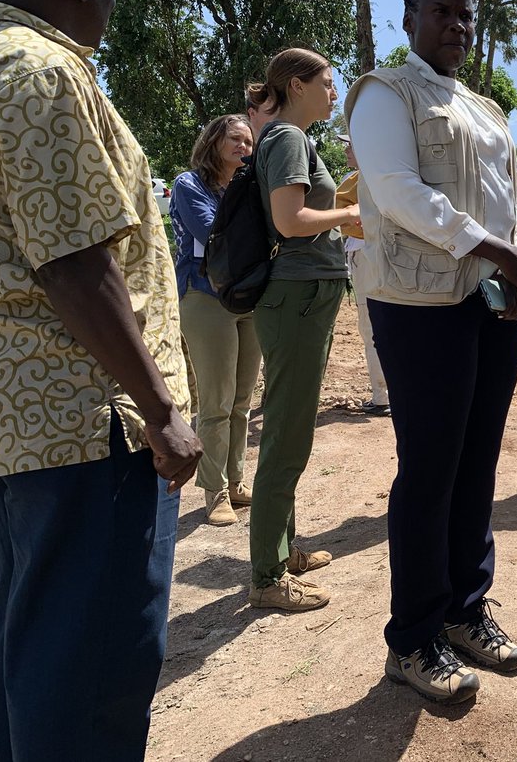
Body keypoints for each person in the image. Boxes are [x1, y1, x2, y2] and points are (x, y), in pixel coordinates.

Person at [0, 0, 202, 760]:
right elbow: (73, 262)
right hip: (86, 426)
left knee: (38, 661)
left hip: (16, 431)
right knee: (96, 677)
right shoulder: (39, 72)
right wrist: (162, 410)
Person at [345, 0, 517, 704]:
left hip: (492, 302)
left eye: (465, 12)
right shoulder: (384, 95)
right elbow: (396, 192)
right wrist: (494, 248)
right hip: (420, 305)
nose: (456, 23)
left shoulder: (486, 109)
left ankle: (465, 611)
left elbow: (515, 189)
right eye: (441, 10)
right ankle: (414, 637)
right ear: (410, 18)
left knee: (477, 461)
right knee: (429, 470)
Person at [245, 48, 359, 612]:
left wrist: (337, 201)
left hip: (301, 297)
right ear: (297, 85)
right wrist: (345, 216)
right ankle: (266, 576)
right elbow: (290, 222)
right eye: (328, 83)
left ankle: (283, 552)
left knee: (290, 425)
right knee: (288, 433)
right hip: (296, 297)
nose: (334, 93)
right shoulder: (287, 137)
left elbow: (298, 211)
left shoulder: (290, 138)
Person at [170, 114, 264, 525]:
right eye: (236, 140)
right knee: (217, 401)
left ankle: (237, 480)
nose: (245, 147)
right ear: (213, 143)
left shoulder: (248, 185)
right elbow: (215, 235)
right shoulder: (189, 185)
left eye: (249, 141)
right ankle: (214, 491)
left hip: (247, 296)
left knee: (242, 399)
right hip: (204, 296)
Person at [334, 133, 390, 415]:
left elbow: (345, 216)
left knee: (372, 327)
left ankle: (383, 396)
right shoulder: (385, 174)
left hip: (367, 255)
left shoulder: (361, 179)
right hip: (375, 255)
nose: (346, 150)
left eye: (351, 145)